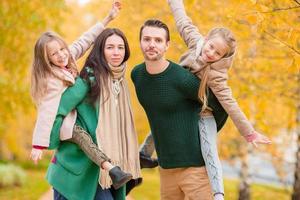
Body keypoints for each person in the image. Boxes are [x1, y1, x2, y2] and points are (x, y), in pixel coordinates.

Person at [139, 1, 272, 199]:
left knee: (209, 147)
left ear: (222, 57)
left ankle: (218, 192)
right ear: (207, 39)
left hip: (203, 112)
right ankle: (143, 154)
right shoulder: (196, 42)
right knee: (163, 120)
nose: (210, 54)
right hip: (180, 104)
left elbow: (229, 103)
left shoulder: (217, 74)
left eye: (217, 53)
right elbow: (183, 22)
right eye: (210, 47)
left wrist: (249, 133)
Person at [131, 19, 228, 200]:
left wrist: (202, 133)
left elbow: (220, 107)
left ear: (167, 45)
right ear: (140, 42)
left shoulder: (182, 79)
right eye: (147, 39)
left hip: (195, 168)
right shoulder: (137, 75)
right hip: (165, 168)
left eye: (158, 40)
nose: (152, 44)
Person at [46, 27, 141, 200]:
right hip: (76, 169)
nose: (116, 52)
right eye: (110, 47)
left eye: (120, 47)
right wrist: (66, 134)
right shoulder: (87, 79)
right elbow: (57, 110)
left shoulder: (119, 83)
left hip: (105, 172)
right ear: (100, 50)